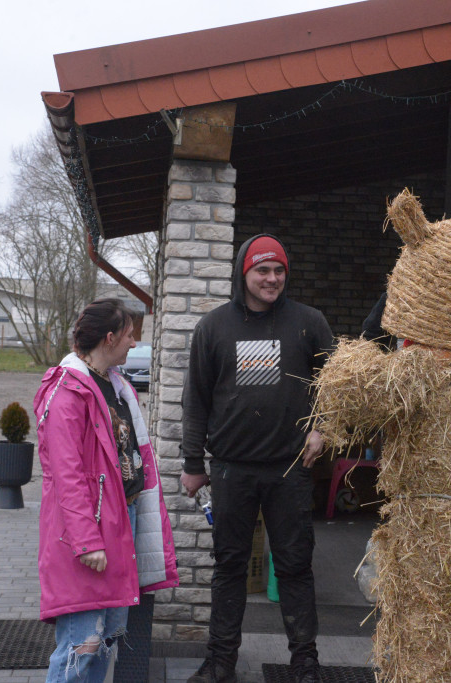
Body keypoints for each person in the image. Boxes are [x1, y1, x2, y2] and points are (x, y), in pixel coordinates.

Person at [180, 234, 335, 683]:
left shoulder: (309, 323)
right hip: (232, 468)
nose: (271, 279)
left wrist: (322, 426)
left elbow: (339, 384)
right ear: (243, 273)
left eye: (279, 271)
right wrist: (194, 464)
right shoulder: (213, 327)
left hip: (290, 469)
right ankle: (220, 661)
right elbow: (196, 401)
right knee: (229, 566)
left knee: (294, 566)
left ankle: (305, 663)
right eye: (262, 270)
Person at [34, 298, 179, 683]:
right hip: (88, 536)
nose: (134, 344)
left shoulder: (115, 385)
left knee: (107, 640)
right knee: (82, 646)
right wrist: (87, 541)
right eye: (130, 335)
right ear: (110, 337)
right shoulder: (66, 392)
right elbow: (66, 475)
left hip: (119, 523)